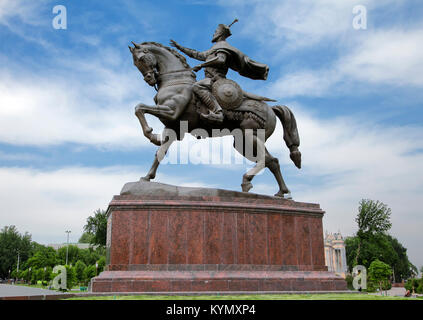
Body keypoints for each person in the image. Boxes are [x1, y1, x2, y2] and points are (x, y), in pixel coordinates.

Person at [170, 19, 269, 123]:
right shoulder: (215, 47)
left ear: (221, 33)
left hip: (217, 80)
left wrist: (202, 65)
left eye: (216, 31)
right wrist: (179, 47)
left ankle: (218, 112)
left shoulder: (224, 46)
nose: (214, 33)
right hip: (209, 79)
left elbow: (221, 60)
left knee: (196, 86)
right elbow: (197, 54)